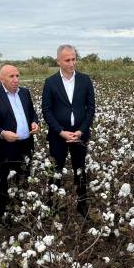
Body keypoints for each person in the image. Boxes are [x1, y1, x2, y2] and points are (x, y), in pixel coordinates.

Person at [41, 44, 96, 215]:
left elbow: (91, 108)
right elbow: (46, 110)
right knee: (56, 169)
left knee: (80, 168)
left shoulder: (85, 80)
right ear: (58, 61)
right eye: (67, 60)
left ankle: (82, 204)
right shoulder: (50, 82)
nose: (71, 63)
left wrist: (81, 130)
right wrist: (60, 131)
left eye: (73, 59)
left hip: (80, 134)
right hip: (59, 136)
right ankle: (52, 205)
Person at [0, 64, 39, 224]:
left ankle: (21, 207)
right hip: (5, 147)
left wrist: (34, 123)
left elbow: (32, 113)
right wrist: (2, 133)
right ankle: (4, 214)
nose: (16, 80)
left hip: (25, 144)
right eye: (11, 77)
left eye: (17, 76)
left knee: (23, 176)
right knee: (3, 181)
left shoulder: (25, 93)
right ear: (2, 79)